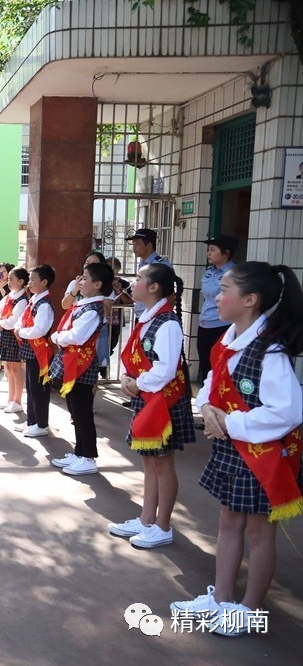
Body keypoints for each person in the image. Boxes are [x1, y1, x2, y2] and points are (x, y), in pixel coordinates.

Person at [170, 262, 303, 636]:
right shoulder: (229, 337)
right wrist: (208, 408)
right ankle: (222, 596)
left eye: (224, 288)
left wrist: (229, 422)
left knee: (260, 533)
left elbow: (289, 411)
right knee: (229, 521)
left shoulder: (270, 350)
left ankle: (249, 609)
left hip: (263, 456)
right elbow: (212, 382)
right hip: (234, 447)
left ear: (249, 300)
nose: (216, 295)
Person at [109, 263, 195, 549]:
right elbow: (137, 356)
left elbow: (166, 368)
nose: (134, 284)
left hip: (163, 401)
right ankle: (147, 519)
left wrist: (137, 383)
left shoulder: (167, 322)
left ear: (155, 287)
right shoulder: (148, 318)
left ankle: (163, 525)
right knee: (149, 462)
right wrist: (128, 378)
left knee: (162, 463)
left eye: (140, 279)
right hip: (148, 398)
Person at [49, 261, 113, 476]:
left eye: (85, 279)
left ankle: (88, 457)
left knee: (82, 411)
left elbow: (77, 335)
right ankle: (79, 452)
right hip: (73, 363)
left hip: (82, 366)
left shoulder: (93, 309)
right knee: (75, 409)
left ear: (97, 284)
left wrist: (58, 337)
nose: (81, 282)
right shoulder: (84, 304)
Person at [14, 265, 56, 438]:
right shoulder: (35, 300)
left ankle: (41, 424)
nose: (29, 283)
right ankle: (32, 420)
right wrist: (18, 328)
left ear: (44, 282)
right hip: (31, 349)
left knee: (39, 389)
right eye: (29, 279)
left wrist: (20, 332)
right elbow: (21, 321)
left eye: (33, 279)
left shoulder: (44, 305)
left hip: (40, 351)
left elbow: (39, 330)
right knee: (31, 387)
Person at [61, 251, 112, 381]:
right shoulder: (75, 283)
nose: (88, 266)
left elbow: (105, 311)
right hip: (75, 326)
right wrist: (76, 290)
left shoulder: (106, 288)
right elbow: (65, 305)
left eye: (93, 263)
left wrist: (93, 296)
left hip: (97, 331)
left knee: (92, 369)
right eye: (87, 263)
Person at [197, 234, 238, 383]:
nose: (209, 253)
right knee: (205, 365)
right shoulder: (209, 271)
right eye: (208, 249)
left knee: (220, 366)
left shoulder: (235, 274)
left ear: (226, 253)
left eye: (213, 250)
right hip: (204, 324)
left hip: (223, 326)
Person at [0, 267, 29, 414]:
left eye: (11, 279)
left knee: (15, 369)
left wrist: (0, 322)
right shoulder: (10, 296)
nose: (8, 282)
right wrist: (0, 320)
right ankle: (10, 399)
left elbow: (12, 322)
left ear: (21, 281)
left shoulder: (21, 300)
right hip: (7, 335)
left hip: (15, 337)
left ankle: (18, 401)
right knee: (8, 368)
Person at [122, 228, 172, 320]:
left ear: (149, 245)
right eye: (133, 244)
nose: (134, 247)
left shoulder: (160, 265)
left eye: (137, 244)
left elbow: (170, 295)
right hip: (142, 316)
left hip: (155, 317)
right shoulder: (142, 263)